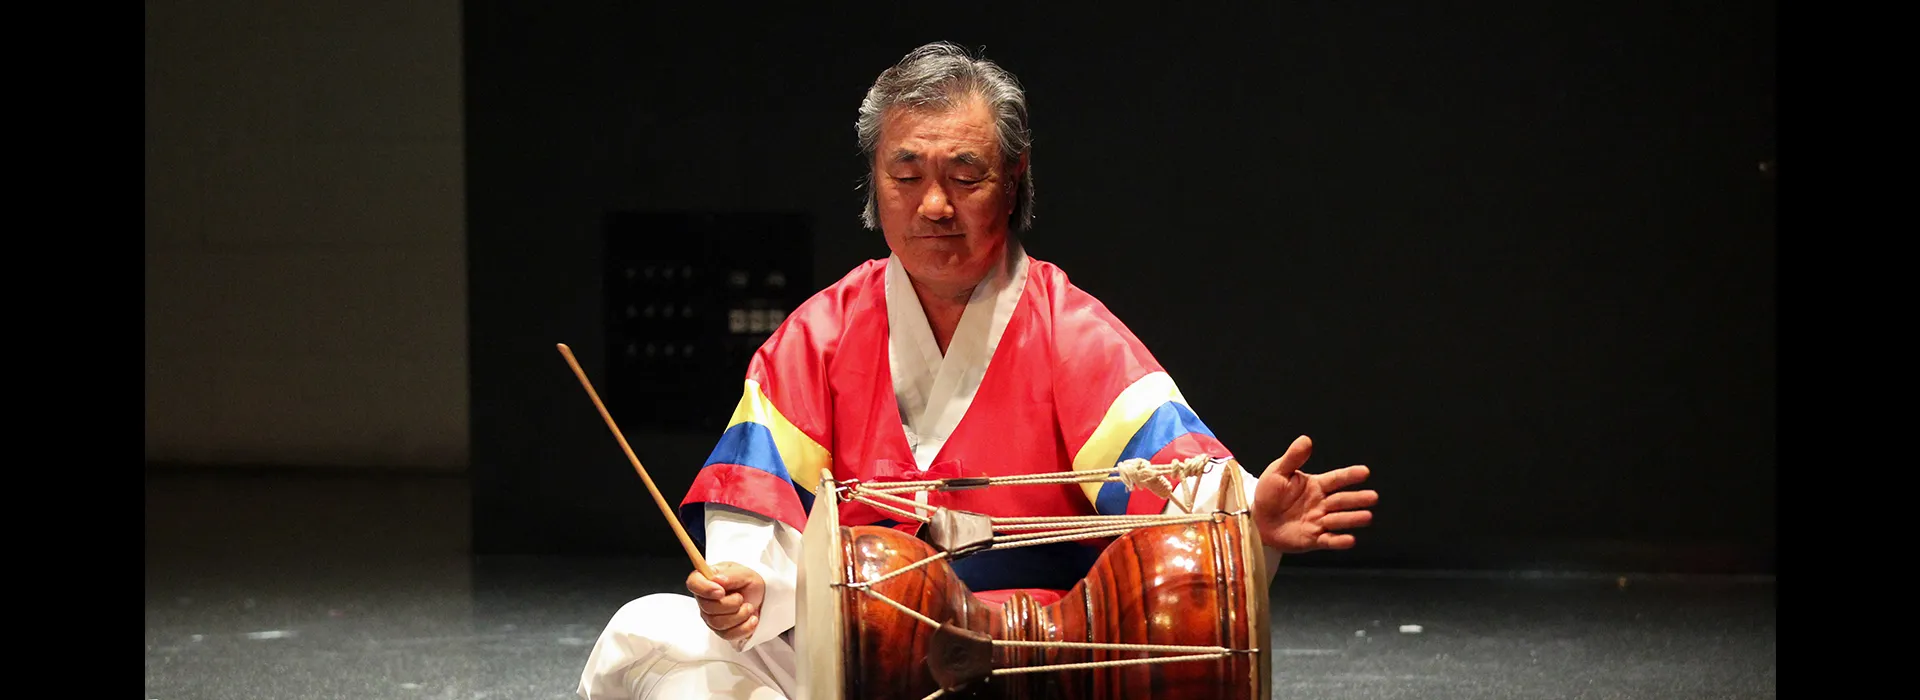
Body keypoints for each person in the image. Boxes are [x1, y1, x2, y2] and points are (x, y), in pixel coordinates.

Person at [576, 41, 1378, 700]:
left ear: (1013, 181)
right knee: (653, 641)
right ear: (874, 184)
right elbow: (760, 535)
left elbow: (1182, 491)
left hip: (1039, 668)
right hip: (859, 661)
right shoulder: (817, 337)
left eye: (964, 176)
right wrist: (747, 589)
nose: (934, 205)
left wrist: (1250, 524)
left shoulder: (1072, 335)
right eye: (906, 175)